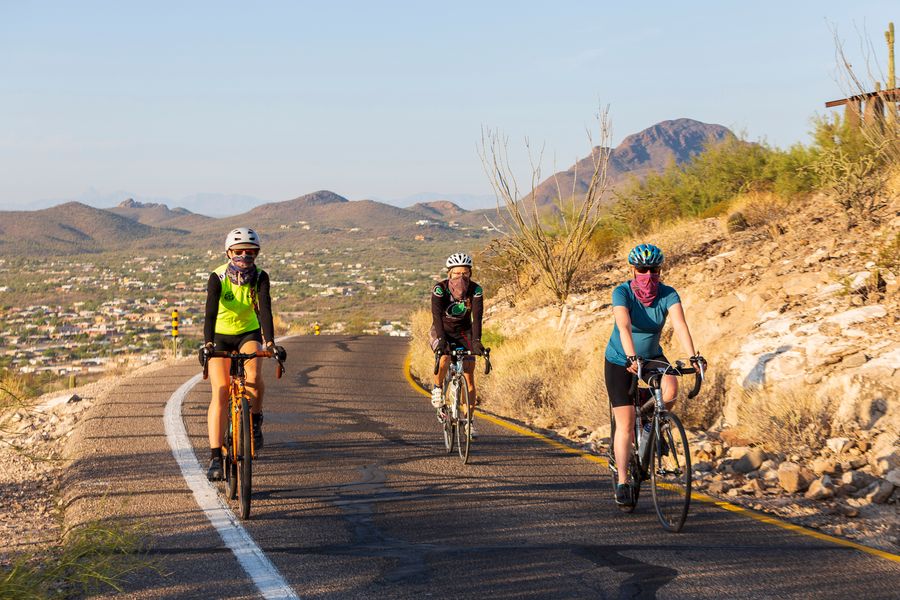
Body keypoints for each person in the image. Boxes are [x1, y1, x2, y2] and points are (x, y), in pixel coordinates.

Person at [604, 243, 706, 507]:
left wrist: (694, 356)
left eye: (654, 270)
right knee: (625, 423)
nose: (648, 275)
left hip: (651, 356)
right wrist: (630, 357)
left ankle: (650, 421)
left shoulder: (668, 294)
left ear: (660, 271)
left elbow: (680, 325)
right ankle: (624, 481)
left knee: (671, 389)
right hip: (620, 359)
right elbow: (623, 326)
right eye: (642, 270)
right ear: (633, 270)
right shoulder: (622, 292)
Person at [199, 227, 286, 481]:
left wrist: (270, 343)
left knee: (254, 379)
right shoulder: (218, 277)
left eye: (251, 252)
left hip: (248, 333)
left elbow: (265, 310)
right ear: (229, 252)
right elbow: (210, 313)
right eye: (239, 251)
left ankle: (255, 421)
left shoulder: (260, 277)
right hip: (220, 336)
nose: (245, 256)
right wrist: (207, 344)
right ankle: (216, 457)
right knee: (222, 389)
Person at [430, 252, 485, 436]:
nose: (461, 277)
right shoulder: (440, 289)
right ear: (449, 274)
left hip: (464, 331)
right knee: (444, 356)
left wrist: (477, 342)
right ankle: (438, 388)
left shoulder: (475, 290)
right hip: (441, 330)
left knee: (469, 374)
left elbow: (477, 318)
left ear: (470, 274)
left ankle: (469, 422)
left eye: (465, 273)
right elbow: (436, 316)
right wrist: (441, 340)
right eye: (456, 273)